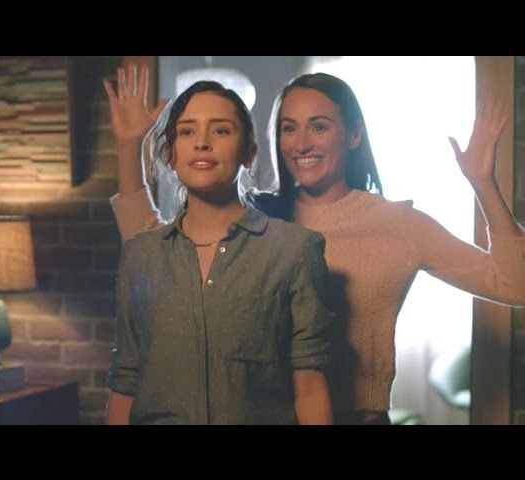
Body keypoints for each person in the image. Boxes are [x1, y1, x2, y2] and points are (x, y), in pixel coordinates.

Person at [106, 64, 525, 425]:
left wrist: (483, 183)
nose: (301, 143)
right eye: (289, 128)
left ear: (354, 135)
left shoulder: (398, 224)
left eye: (319, 126)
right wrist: (128, 148)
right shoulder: (258, 218)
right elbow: (153, 247)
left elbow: (513, 284)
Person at [103, 73, 335, 424]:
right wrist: (128, 145)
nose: (202, 143)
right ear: (170, 154)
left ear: (248, 153)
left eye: (221, 131)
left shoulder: (295, 250)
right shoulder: (142, 255)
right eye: (187, 132)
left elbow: (310, 390)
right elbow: (126, 379)